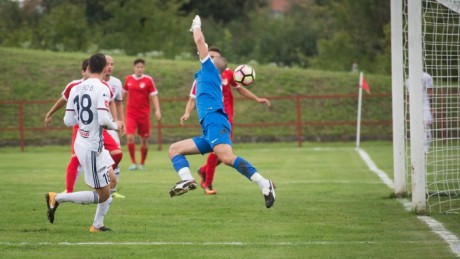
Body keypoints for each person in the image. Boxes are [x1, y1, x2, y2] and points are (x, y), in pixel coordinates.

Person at [169, 15, 275, 208]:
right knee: (174, 149)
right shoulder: (207, 75)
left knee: (226, 158)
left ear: (212, 61)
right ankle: (187, 180)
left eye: (209, 56)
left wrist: (196, 25)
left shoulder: (209, 69)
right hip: (209, 128)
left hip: (215, 121)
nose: (205, 55)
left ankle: (264, 183)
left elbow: (200, 41)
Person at [45, 53, 124, 232]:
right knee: (102, 195)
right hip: (91, 147)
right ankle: (57, 198)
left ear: (88, 68)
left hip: (85, 142)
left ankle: (97, 225)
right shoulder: (103, 87)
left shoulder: (76, 88)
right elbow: (104, 120)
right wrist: (116, 125)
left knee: (112, 181)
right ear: (104, 68)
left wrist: (85, 121)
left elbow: (68, 121)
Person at [180, 46, 271, 195]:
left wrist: (257, 98)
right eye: (209, 57)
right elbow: (193, 98)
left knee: (224, 155)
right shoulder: (203, 76)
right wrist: (187, 113)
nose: (211, 59)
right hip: (214, 117)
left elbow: (240, 89)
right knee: (218, 152)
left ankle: (204, 171)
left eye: (214, 57)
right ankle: (207, 184)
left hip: (227, 118)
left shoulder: (229, 73)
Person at [123, 58, 162, 171]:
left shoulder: (148, 80)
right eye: (137, 67)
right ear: (134, 67)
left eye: (141, 67)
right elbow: (122, 94)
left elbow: (154, 96)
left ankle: (142, 163)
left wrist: (157, 110)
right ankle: (134, 163)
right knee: (130, 137)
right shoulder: (128, 79)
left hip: (144, 114)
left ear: (143, 68)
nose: (139, 69)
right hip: (131, 113)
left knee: (144, 140)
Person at [104, 55, 125, 198]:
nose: (110, 66)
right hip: (97, 126)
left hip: (111, 125)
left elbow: (117, 103)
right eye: (107, 63)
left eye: (112, 64)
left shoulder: (116, 82)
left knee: (116, 154)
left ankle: (112, 188)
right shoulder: (93, 82)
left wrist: (121, 122)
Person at [406, 72, 434, 153]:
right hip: (415, 108)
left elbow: (430, 93)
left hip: (425, 106)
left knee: (426, 127)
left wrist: (431, 108)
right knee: (418, 127)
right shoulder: (409, 79)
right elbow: (409, 95)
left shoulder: (426, 77)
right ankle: (419, 149)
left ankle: (425, 150)